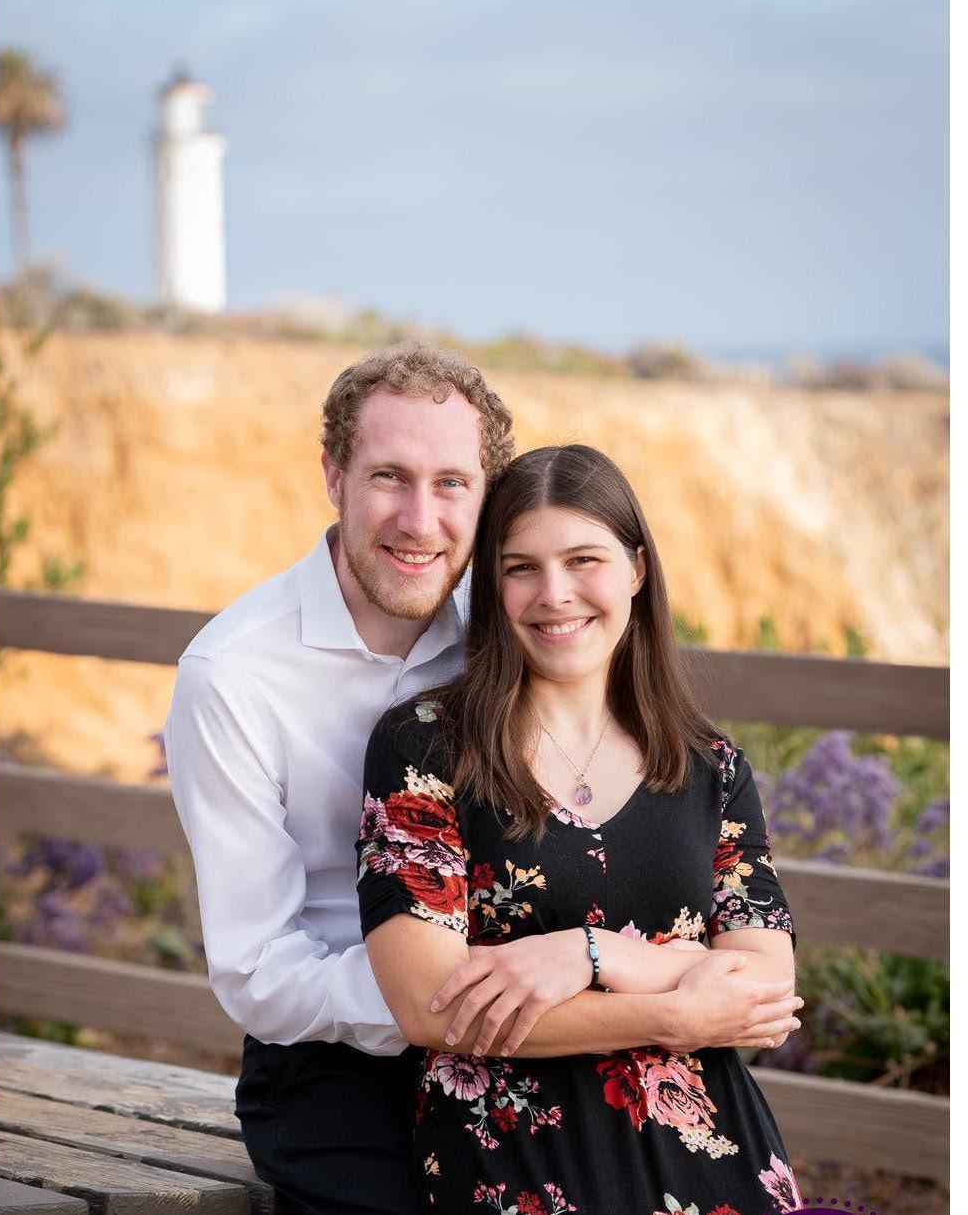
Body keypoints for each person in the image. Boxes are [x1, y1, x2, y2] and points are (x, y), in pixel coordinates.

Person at [168, 348, 799, 1215]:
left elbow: (738, 953)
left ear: (487, 494)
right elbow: (258, 971)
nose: (419, 520)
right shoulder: (234, 675)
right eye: (389, 476)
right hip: (341, 1068)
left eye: (452, 484)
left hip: (586, 1047)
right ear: (333, 476)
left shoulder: (519, 621)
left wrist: (580, 971)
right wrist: (471, 987)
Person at [358, 444, 804, 1214]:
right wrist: (675, 1007)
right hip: (514, 1164)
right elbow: (428, 1006)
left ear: (635, 568)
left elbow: (764, 989)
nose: (553, 594)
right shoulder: (425, 746)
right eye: (520, 567)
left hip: (718, 1161)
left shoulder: (708, 764)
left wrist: (587, 953)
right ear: (490, 587)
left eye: (583, 559)